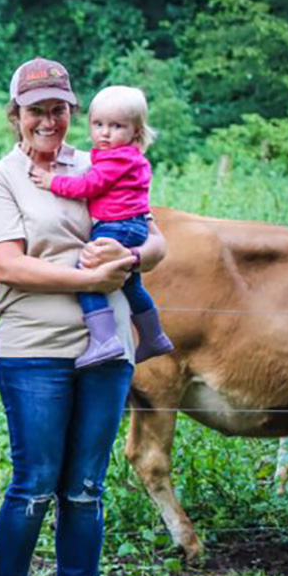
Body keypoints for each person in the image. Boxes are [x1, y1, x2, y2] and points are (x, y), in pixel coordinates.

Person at [0, 58, 168, 576]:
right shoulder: (1, 178)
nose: (49, 120)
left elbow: (155, 239)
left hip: (106, 354)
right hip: (35, 348)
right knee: (34, 481)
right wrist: (90, 280)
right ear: (17, 115)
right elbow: (8, 266)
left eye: (59, 109)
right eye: (37, 109)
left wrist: (129, 259)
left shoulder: (102, 163)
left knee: (85, 485)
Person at [29, 85, 174, 367]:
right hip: (133, 225)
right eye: (98, 124)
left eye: (117, 126)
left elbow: (89, 185)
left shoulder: (117, 158)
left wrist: (51, 182)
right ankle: (153, 335)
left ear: (136, 131)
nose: (105, 133)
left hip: (117, 225)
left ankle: (103, 338)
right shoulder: (128, 157)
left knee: (86, 275)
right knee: (131, 283)